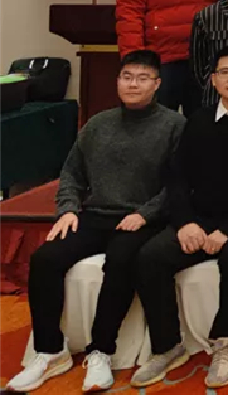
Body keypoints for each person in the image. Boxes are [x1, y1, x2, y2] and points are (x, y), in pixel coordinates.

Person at [6, 50, 184, 393]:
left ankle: (101, 350)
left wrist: (144, 214)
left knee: (120, 259)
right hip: (95, 215)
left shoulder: (174, 125)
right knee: (45, 259)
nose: (133, 84)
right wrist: (68, 209)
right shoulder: (98, 124)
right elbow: (71, 173)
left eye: (143, 78)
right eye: (127, 77)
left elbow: (177, 185)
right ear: (117, 81)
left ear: (157, 84)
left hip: (142, 218)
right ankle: (50, 351)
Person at [132, 46, 228, 388]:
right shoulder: (199, 120)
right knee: (151, 256)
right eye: (225, 73)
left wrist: (226, 230)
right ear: (213, 80)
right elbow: (177, 178)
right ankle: (167, 346)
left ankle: (226, 342)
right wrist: (186, 222)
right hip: (199, 217)